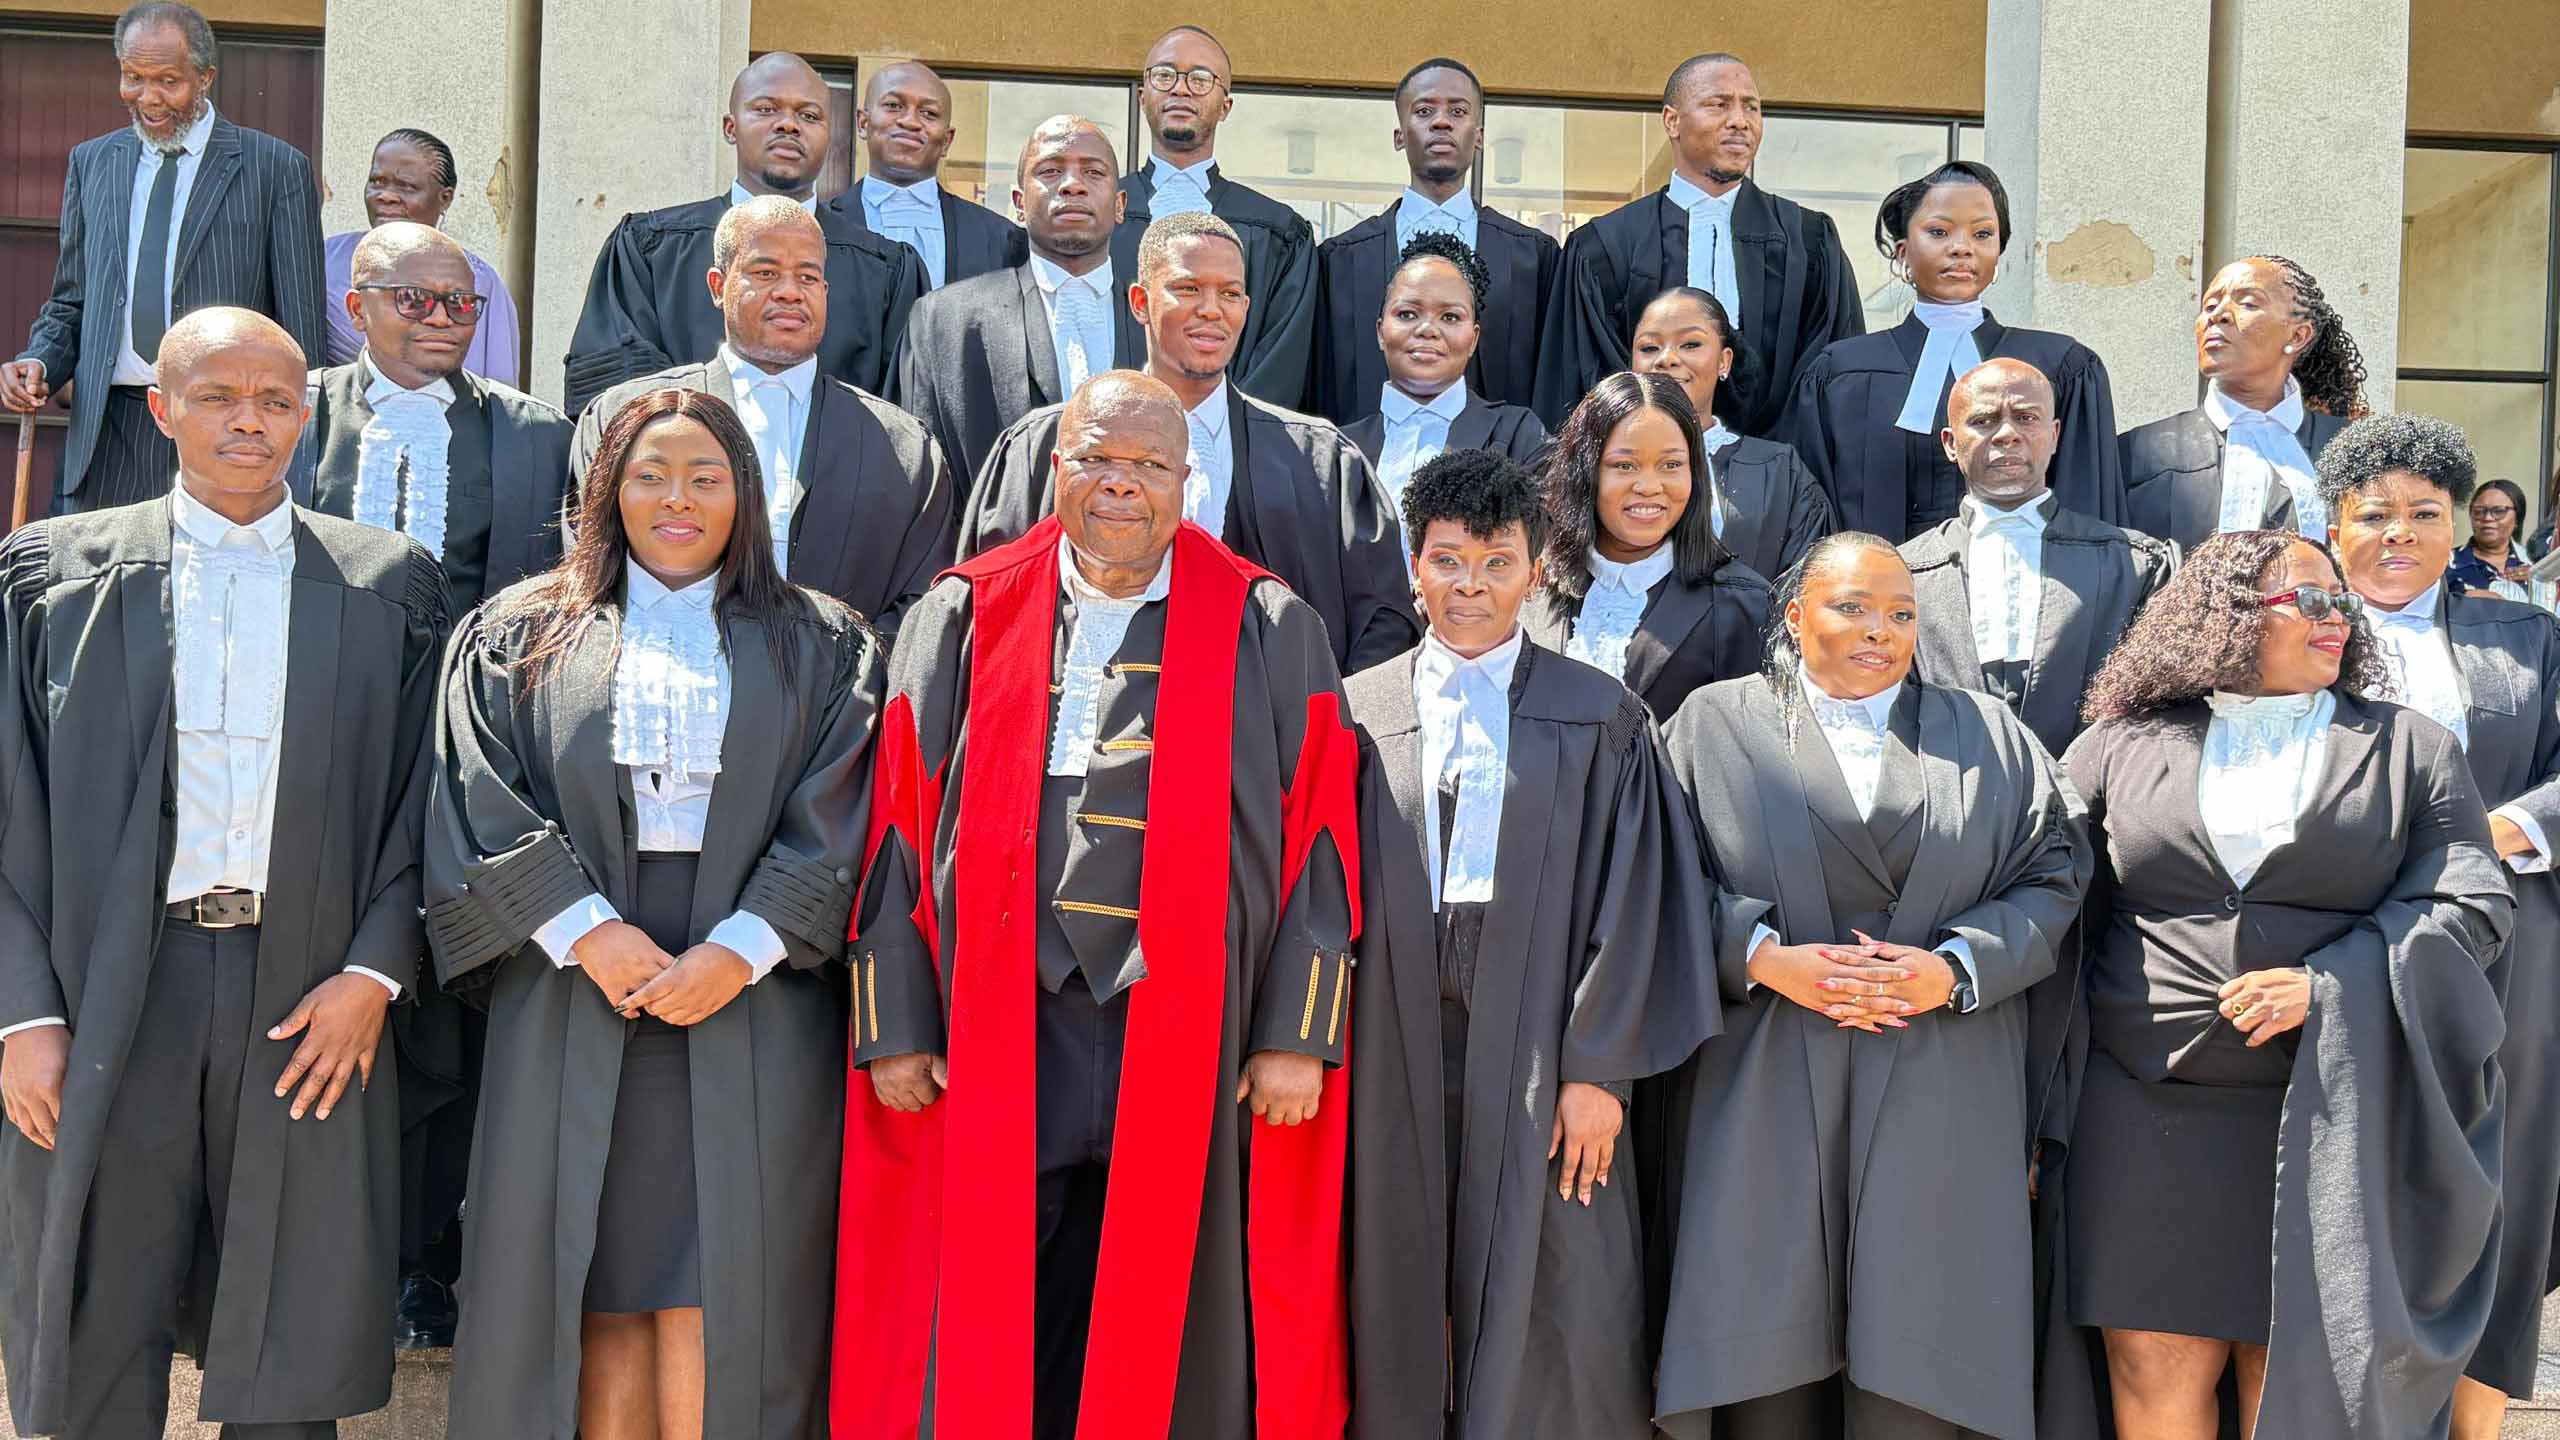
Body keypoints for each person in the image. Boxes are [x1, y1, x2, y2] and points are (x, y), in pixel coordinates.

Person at [830, 370, 1359, 1438]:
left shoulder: (1266, 620)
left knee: (1160, 1323)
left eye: (1149, 465)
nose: (1122, 484)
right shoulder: (964, 611)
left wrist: (1296, 1034)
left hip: (1187, 1028)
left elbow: (1321, 841)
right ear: (1052, 465)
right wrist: (894, 1021)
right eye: (1097, 459)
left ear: (1186, 479)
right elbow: (889, 818)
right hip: (999, 1022)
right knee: (994, 1313)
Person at [0, 307, 446, 1439]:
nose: (249, 421)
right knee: (104, 1292)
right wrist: (22, 1016)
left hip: (308, 990)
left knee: (291, 1316)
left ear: (308, 412)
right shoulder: (58, 572)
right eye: (216, 397)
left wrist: (373, 977)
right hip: (112, 986)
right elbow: (9, 804)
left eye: (275, 400)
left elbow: (424, 809)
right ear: (161, 409)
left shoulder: (384, 582)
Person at [427, 387, 880, 1440]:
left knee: (725, 1282)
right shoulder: (521, 632)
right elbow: (477, 794)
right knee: (588, 1285)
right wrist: (587, 930)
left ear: (745, 495)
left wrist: (743, 947)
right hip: (572, 981)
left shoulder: (820, 642)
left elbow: (847, 803)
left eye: (705, 477)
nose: (678, 499)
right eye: (649, 476)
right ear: (604, 491)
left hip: (757, 990)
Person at [2047, 530, 2509, 1440]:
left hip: (2333, 1110)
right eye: (2309, 600)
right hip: (2143, 1108)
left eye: (2341, 603)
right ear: (2224, 615)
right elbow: (2049, 890)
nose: (2336, 618)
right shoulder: (2118, 743)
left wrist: (2334, 987)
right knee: (2151, 1366)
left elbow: (2473, 900)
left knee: (2301, 1374)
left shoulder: (2410, 747)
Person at [1655, 531, 2089, 1440]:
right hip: (1764, 1074)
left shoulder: (1990, 734)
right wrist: (1762, 955)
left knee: (1921, 1359)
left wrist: (1957, 967)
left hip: (1939, 1072)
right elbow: (1649, 876)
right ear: (1794, 614)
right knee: (1764, 1357)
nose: (1878, 632)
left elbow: (2056, 873)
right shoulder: (1711, 724)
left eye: (1900, 614)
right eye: (1851, 607)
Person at [1343, 449, 1721, 1438]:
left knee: (1556, 1270)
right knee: (1387, 1251)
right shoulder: (1352, 712)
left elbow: (1636, 904)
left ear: (1537, 564)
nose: (1469, 586)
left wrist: (1599, 1070)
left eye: (1495, 563)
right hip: (1388, 1030)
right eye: (1447, 562)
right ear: (1412, 568)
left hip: (1548, 1035)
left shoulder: (1600, 716)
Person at [296, 220, 570, 1348]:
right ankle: (308, 1248)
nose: (441, 321)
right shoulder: (294, 410)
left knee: (452, 1011)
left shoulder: (533, 437)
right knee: (314, 980)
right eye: (415, 300)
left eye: (460, 305)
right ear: (356, 303)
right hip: (310, 749)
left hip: (468, 755)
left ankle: (425, 1260)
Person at [2319, 415, 2560, 1439]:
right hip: (2342, 937)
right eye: (2372, 515)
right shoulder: (2292, 638)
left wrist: (2515, 823)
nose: (2397, 535)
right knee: (2355, 1174)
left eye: (2424, 513)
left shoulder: (2527, 632)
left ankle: (2476, 1426)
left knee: (2503, 1181)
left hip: (2510, 937)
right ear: (2331, 528)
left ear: (2459, 523)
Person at [963, 212, 1416, 673]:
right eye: (1187, 289)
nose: (1211, 310)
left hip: (1262, 734)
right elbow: (990, 604)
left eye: (1230, 293)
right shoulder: (1046, 446)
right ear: (1139, 302)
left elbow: (1380, 628)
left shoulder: (1323, 462)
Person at [574, 197, 954, 641]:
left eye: (807, 276)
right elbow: (591, 565)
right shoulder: (628, 421)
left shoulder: (905, 449)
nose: (790, 291)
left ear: (825, 293)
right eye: (766, 273)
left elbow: (921, 604)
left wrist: (846, 684)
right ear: (718, 286)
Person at [3, 1, 327, 513]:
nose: (148, 98)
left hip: (221, 429)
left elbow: (300, 331)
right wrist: (38, 359)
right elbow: (72, 301)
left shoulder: (276, 169)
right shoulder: (92, 162)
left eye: (168, 81)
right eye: (133, 77)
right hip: (108, 432)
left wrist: (297, 449)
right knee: (95, 588)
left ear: (205, 78)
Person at [563, 52, 927, 417]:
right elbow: (615, 400)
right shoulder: (649, 251)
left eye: (809, 115)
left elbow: (901, 417)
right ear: (730, 127)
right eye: (766, 110)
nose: (788, 125)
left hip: (839, 470)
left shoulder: (885, 271)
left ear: (829, 135)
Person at [1780, 161, 2124, 543]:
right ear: (1902, 252)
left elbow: (2089, 514)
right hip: (1877, 593)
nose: (1962, 248)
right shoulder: (1840, 373)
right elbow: (1812, 523)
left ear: (1999, 252)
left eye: (1982, 234)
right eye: (1939, 231)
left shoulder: (2063, 366)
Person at [1533, 52, 1863, 436]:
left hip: (1774, 472)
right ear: (1672, 121)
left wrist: (1771, 462)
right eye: (1718, 105)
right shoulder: (1605, 245)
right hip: (1640, 463)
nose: (1740, 121)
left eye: (1751, 107)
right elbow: (1580, 378)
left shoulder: (1806, 239)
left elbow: (1832, 371)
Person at [1898, 359, 2172, 759]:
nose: (2008, 434)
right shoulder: (1901, 574)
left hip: (2094, 807)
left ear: (2055, 434)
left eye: (2026, 418)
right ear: (1950, 443)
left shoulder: (2137, 566)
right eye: (1984, 420)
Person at [897, 116, 1143, 506]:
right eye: (1050, 170)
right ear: (1018, 204)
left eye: (1093, 172)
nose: (1072, 184)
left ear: (1120, 205)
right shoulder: (943, 322)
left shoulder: (1160, 321)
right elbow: (922, 480)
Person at [1310, 58, 1558, 423]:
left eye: (1458, 111)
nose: (1442, 122)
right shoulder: (1340, 260)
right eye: (1424, 111)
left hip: (1501, 468)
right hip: (1367, 467)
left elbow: (1551, 382)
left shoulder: (1533, 257)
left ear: (1479, 136)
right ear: (1399, 135)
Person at [1523, 372, 1770, 720]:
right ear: (1585, 471)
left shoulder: (1745, 607)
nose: (1650, 486)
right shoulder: (1530, 585)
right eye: (1625, 465)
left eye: (1671, 465)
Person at [1111, 25, 1319, 408]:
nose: (1181, 88)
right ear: (1142, 97)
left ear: (1226, 107)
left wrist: (1230, 431)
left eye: (1201, 78)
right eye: (1165, 75)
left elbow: (1280, 364)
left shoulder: (1279, 232)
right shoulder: (1101, 217)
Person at [2120, 255, 2362, 552]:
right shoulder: (2135, 455)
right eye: (2209, 306)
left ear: (2298, 335)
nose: (2218, 315)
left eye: (2247, 303)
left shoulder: (2353, 449)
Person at [1630, 285, 1835, 580]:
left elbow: (1808, 586)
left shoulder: (1779, 472)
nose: (1666, 359)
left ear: (1724, 361)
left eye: (1690, 345)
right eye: (1649, 347)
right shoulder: (1602, 461)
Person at [1337, 233, 1551, 509]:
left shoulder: (1520, 436)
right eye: (1407, 314)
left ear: (1473, 339)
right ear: (1380, 332)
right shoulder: (1337, 448)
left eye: (1450, 317)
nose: (1427, 329)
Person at [322, 129, 522, 386]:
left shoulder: (477, 280)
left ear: (445, 198)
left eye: (407, 187)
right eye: (377, 182)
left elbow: (497, 384)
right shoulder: (328, 260)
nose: (387, 195)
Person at [848, 60, 1022, 291]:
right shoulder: (819, 226)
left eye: (928, 113)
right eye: (893, 105)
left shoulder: (1002, 238)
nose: (910, 121)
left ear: (947, 140)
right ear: (863, 123)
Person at [2453, 477, 2553, 608]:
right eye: (2479, 511)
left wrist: (2541, 583)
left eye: (2499, 511)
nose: (2487, 518)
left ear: (2517, 518)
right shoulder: (2445, 565)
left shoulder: (2537, 566)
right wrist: (2459, 598)